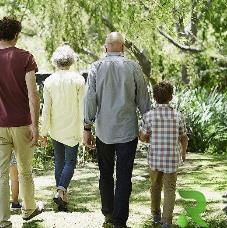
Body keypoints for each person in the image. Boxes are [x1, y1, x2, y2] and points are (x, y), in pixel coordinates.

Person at [0, 17, 44, 228]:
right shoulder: (25, 58)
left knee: (1, 175)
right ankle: (29, 209)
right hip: (22, 123)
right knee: (25, 170)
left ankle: (2, 221)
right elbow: (33, 95)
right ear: (16, 35)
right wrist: (35, 125)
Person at [84, 32, 151, 228]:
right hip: (127, 131)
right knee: (124, 176)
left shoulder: (96, 67)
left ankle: (108, 213)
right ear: (123, 48)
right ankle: (120, 220)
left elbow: (90, 99)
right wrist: (148, 125)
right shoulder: (133, 67)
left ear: (106, 48)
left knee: (105, 173)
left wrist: (87, 126)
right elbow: (144, 99)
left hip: (104, 130)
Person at [40, 44, 85, 211]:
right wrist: (84, 129)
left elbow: (46, 109)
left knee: (59, 161)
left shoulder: (49, 81)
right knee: (70, 162)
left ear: (56, 61)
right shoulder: (79, 79)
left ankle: (62, 197)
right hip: (73, 128)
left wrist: (43, 131)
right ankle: (61, 192)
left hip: (56, 128)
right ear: (71, 60)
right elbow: (82, 107)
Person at [139, 81, 188, 228]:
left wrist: (141, 134)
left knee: (155, 187)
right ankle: (166, 222)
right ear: (171, 97)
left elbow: (144, 137)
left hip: (155, 159)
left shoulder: (149, 116)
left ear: (154, 97)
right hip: (172, 159)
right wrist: (183, 153)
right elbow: (184, 137)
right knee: (170, 189)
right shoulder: (178, 116)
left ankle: (155, 215)